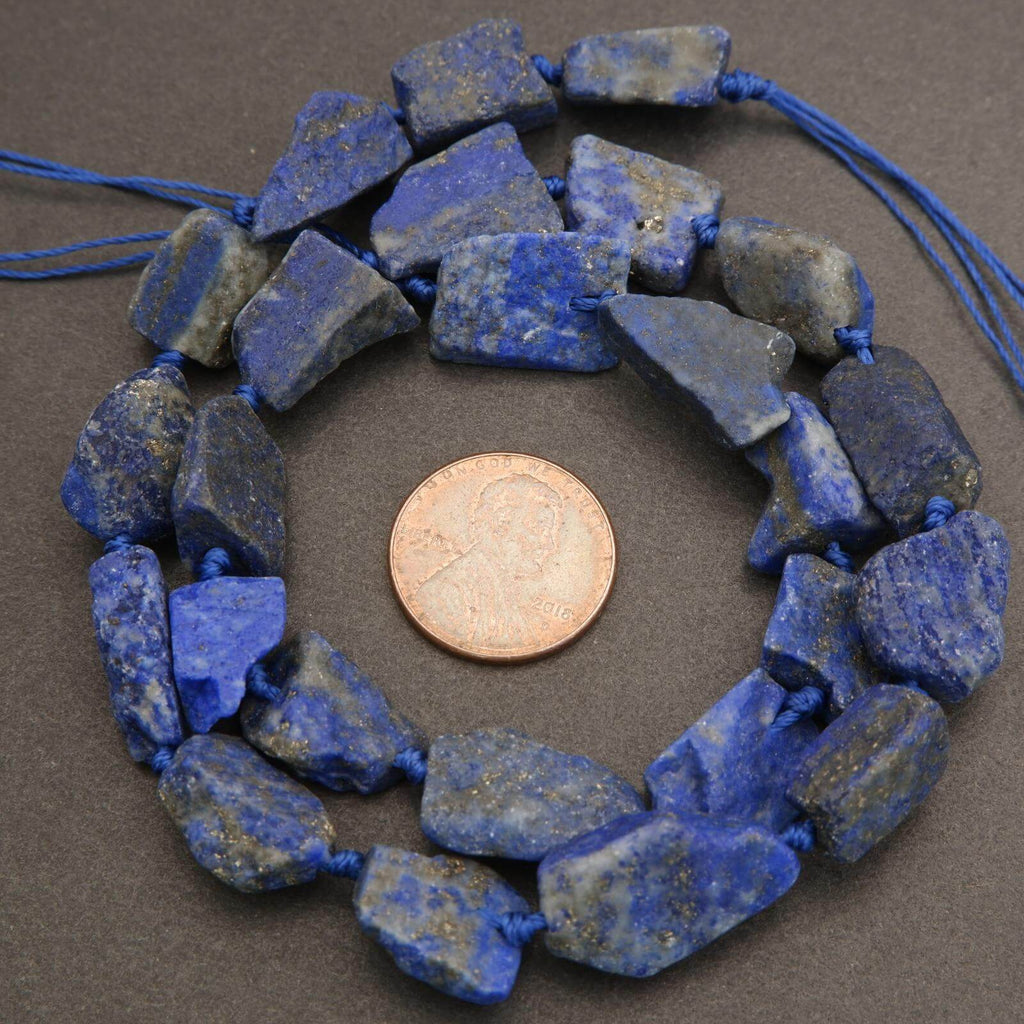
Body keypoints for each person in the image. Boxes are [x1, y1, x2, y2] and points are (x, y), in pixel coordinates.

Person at [416, 473, 564, 650]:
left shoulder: (501, 589)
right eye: (539, 529)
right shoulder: (446, 592)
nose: (549, 545)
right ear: (501, 522)